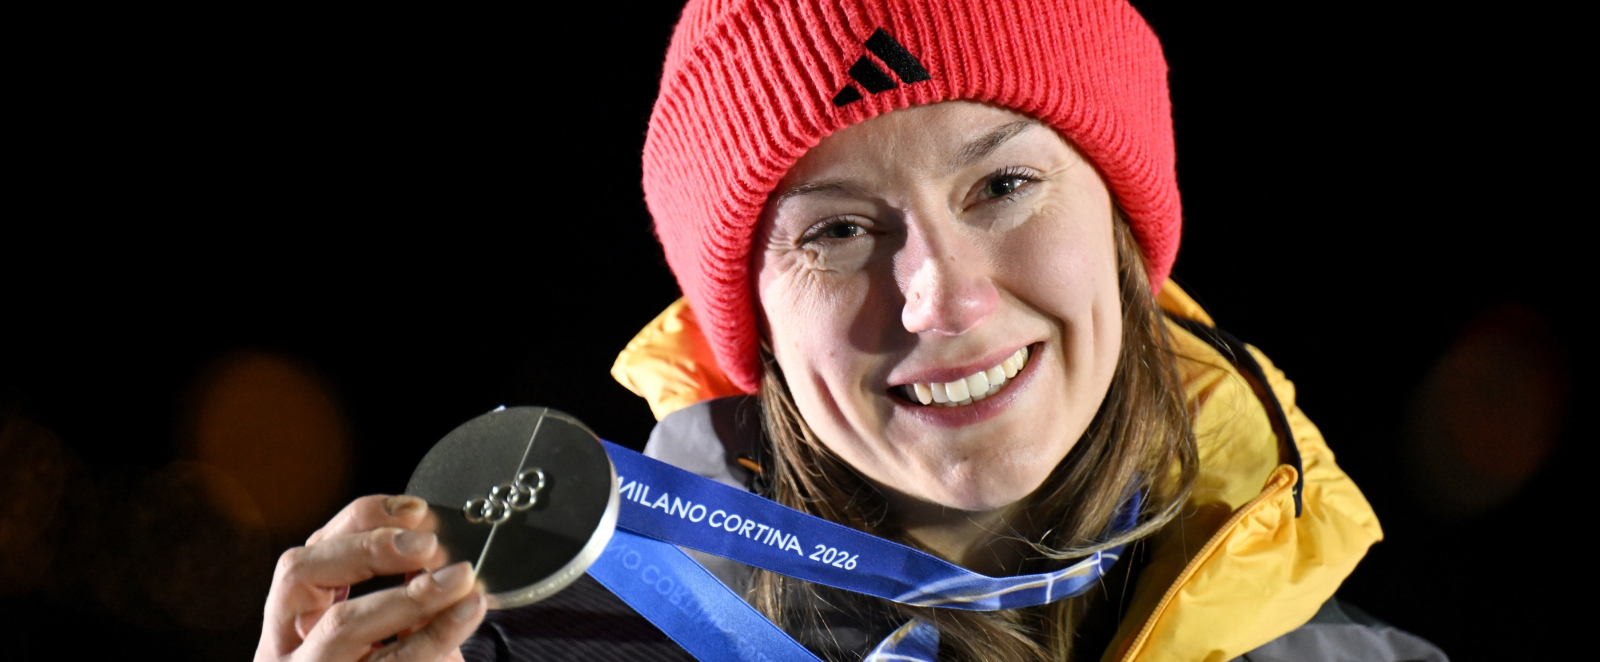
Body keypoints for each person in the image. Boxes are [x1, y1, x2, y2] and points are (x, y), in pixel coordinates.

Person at [256, 1, 1448, 660]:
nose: (941, 297)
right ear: (752, 321)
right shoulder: (514, 657)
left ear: (1131, 237)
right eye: (834, 234)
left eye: (1002, 187)